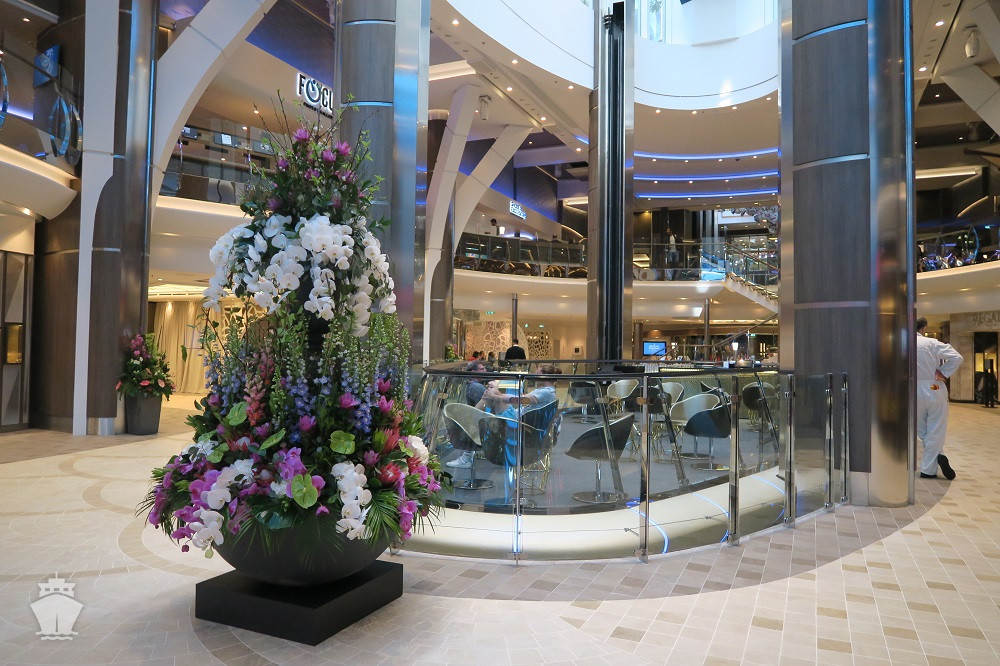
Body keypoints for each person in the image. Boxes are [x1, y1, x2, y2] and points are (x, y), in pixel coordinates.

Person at [916, 317, 963, 480]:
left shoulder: (903, 344)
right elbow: (957, 357)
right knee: (936, 427)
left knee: (921, 429)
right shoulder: (931, 343)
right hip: (934, 387)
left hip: (913, 389)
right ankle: (930, 468)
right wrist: (943, 372)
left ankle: (937, 457)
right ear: (924, 328)